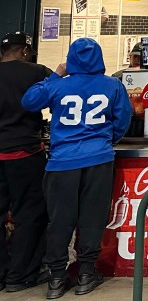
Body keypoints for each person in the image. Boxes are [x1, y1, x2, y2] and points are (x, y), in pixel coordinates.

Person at [21, 37, 131, 299]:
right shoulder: (113, 85)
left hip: (62, 162)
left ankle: (56, 279)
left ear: (70, 59)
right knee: (92, 219)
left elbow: (29, 101)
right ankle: (86, 274)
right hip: (98, 160)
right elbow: (123, 120)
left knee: (60, 221)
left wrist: (56, 75)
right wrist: (105, 140)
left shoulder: (59, 85)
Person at [0, 32, 52, 293]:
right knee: (30, 215)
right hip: (25, 154)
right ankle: (20, 275)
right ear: (25, 51)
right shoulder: (36, 72)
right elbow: (62, 92)